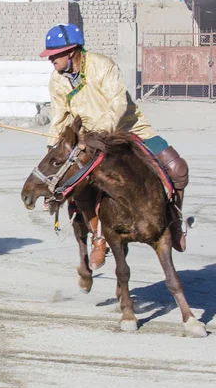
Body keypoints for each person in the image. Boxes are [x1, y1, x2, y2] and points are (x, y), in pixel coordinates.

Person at [40, 23, 189, 270]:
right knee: (74, 183)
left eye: (55, 55)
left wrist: (102, 133)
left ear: (72, 52)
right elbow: (59, 118)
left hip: (128, 127)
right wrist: (51, 147)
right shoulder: (57, 81)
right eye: (50, 56)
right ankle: (98, 237)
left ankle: (173, 219)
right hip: (87, 139)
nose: (51, 60)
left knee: (178, 169)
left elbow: (118, 104)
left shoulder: (103, 66)